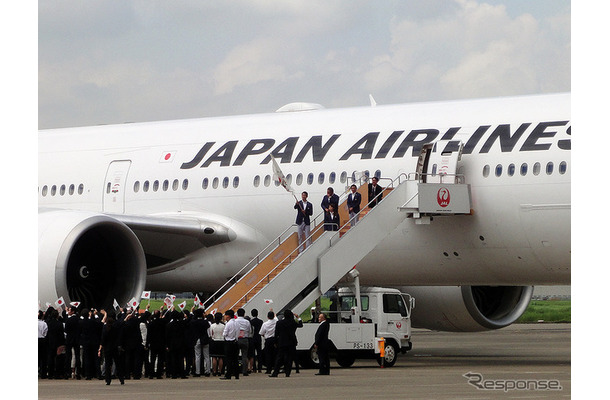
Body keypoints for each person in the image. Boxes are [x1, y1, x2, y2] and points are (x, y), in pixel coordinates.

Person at [269, 310, 303, 378]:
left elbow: (276, 333)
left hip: (282, 342)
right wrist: (298, 317)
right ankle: (287, 373)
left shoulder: (279, 323)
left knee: (279, 358)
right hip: (291, 342)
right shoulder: (293, 322)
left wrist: (275, 342)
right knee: (289, 358)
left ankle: (275, 372)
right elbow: (300, 325)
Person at [98, 310, 125, 385]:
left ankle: (108, 380)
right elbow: (122, 321)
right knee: (117, 363)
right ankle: (121, 379)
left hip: (107, 348)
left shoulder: (105, 328)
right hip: (115, 347)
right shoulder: (116, 327)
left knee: (107, 364)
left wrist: (100, 348)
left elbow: (103, 339)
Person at [221, 310, 240, 380]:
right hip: (235, 342)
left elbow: (224, 334)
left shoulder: (228, 324)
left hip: (229, 342)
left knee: (228, 359)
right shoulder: (237, 323)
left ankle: (228, 374)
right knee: (235, 359)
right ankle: (236, 374)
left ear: (228, 316)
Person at [235, 308, 251, 376]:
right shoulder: (247, 322)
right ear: (244, 314)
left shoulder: (235, 321)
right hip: (245, 339)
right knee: (245, 356)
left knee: (235, 355)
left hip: (237, 339)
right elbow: (249, 330)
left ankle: (236, 370)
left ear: (237, 314)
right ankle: (245, 371)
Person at [209, 312, 225, 376]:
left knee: (214, 357)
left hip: (214, 341)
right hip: (221, 341)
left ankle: (214, 371)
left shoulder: (212, 325)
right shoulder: (223, 326)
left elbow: (210, 334)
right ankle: (220, 371)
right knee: (221, 357)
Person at [249, 309, 263, 373]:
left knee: (253, 353)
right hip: (258, 337)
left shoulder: (251, 322)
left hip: (252, 338)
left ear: (252, 314)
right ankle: (260, 367)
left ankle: (254, 368)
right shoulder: (261, 321)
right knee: (259, 353)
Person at [38, 311, 48, 379]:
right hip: (42, 340)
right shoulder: (44, 323)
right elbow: (45, 332)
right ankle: (43, 373)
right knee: (43, 357)